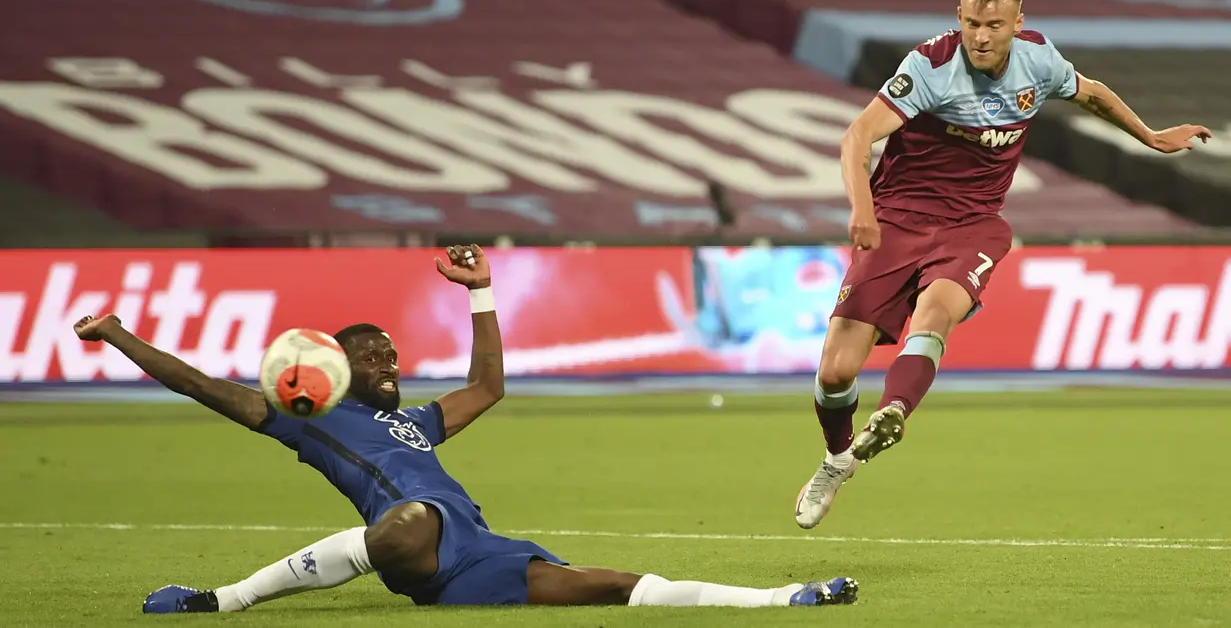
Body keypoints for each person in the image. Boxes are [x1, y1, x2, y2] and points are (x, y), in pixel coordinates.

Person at [72, 244, 859, 611]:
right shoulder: (311, 421)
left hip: (478, 551)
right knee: (409, 519)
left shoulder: (416, 422)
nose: (388, 356)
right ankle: (221, 602)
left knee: (608, 585)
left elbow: (489, 385)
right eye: (369, 351)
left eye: (389, 347)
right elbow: (208, 388)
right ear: (334, 371)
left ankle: (779, 599)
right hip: (409, 537)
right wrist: (118, 335)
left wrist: (481, 292)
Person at [795, 0, 1213, 530]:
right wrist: (862, 209)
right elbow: (858, 136)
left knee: (936, 311)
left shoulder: (1039, 60)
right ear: (958, 17)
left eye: (993, 25)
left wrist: (1151, 136)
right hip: (897, 219)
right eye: (971, 23)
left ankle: (894, 410)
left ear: (1018, 23)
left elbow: (1090, 93)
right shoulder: (930, 66)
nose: (981, 36)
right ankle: (837, 459)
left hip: (973, 224)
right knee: (837, 372)